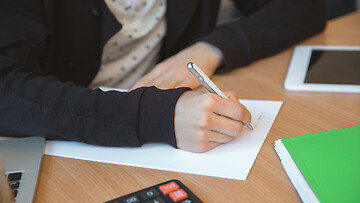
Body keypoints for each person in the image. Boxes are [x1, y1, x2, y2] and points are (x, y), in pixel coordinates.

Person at [0, 0, 327, 153]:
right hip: (62, 134)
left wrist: (211, 48)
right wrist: (157, 116)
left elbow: (304, 7)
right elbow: (7, 93)